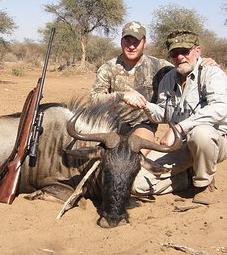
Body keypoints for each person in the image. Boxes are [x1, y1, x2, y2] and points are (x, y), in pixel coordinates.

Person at [127, 29, 227, 205]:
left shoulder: (212, 73)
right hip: (179, 146)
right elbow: (162, 115)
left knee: (200, 134)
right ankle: (186, 177)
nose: (180, 57)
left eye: (184, 51)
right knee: (137, 184)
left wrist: (180, 128)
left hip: (214, 143)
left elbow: (221, 108)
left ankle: (203, 185)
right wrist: (145, 106)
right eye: (174, 53)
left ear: (197, 51)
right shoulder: (169, 79)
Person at [90, 21, 215, 155]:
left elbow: (186, 69)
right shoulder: (107, 68)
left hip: (142, 125)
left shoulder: (161, 67)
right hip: (109, 125)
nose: (131, 46)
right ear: (121, 42)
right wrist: (121, 96)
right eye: (127, 41)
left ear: (144, 43)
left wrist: (202, 62)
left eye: (136, 42)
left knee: (134, 155)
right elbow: (93, 99)